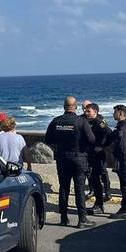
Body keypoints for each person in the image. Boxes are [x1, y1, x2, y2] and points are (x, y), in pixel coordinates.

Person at [45, 96, 96, 228]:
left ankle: (63, 218)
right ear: (76, 106)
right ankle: (82, 219)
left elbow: (48, 140)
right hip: (79, 158)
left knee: (64, 188)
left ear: (64, 106)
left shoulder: (56, 121)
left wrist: (60, 145)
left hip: (62, 158)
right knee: (79, 189)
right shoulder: (81, 121)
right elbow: (91, 139)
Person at [83, 103, 112, 215]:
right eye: (85, 111)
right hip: (90, 154)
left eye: (88, 111)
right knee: (93, 180)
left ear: (95, 111)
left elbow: (110, 134)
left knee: (97, 179)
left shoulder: (99, 123)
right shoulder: (87, 121)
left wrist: (101, 147)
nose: (86, 113)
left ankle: (99, 205)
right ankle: (98, 204)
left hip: (98, 155)